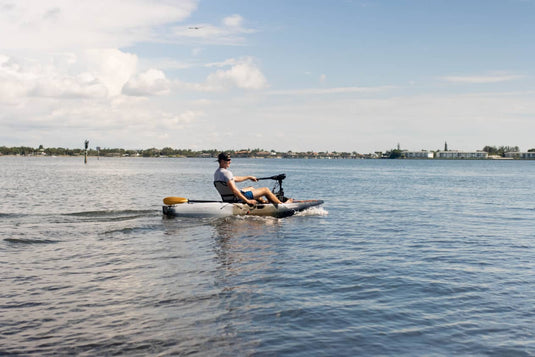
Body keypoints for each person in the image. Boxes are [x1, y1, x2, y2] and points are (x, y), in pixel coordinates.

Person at [214, 152, 290, 205]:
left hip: (228, 198)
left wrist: (248, 177)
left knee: (251, 188)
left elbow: (235, 178)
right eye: (228, 160)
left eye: (230, 160)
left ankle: (264, 203)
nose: (230, 162)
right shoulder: (227, 173)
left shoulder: (217, 173)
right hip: (236, 199)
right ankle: (281, 205)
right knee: (265, 190)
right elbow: (234, 191)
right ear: (221, 161)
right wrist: (247, 201)